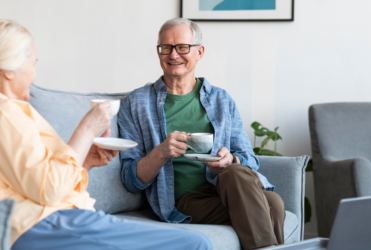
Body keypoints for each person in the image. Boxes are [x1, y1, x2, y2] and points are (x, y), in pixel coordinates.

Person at [0, 19, 213, 250]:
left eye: (182, 47)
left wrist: (87, 161)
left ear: (199, 52)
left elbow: (39, 182)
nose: (33, 76)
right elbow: (49, 191)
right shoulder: (6, 113)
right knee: (195, 244)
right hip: (44, 222)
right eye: (32, 64)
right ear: (9, 71)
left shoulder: (18, 112)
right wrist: (86, 129)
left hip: (57, 217)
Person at [118, 18, 285, 250]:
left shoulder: (221, 100)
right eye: (165, 47)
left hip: (225, 187)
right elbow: (130, 179)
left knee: (236, 173)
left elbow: (250, 159)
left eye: (182, 47)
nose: (173, 55)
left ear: (200, 52)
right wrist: (161, 152)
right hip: (186, 201)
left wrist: (231, 160)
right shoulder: (136, 104)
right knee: (274, 204)